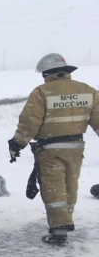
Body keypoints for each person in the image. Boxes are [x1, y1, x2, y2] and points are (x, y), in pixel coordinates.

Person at [9, 54, 99, 245]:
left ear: (47, 73)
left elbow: (29, 122)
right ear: (66, 71)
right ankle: (67, 217)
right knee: (70, 184)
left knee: (53, 186)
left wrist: (17, 143)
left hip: (49, 148)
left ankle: (59, 229)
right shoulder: (88, 91)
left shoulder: (42, 92)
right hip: (75, 148)